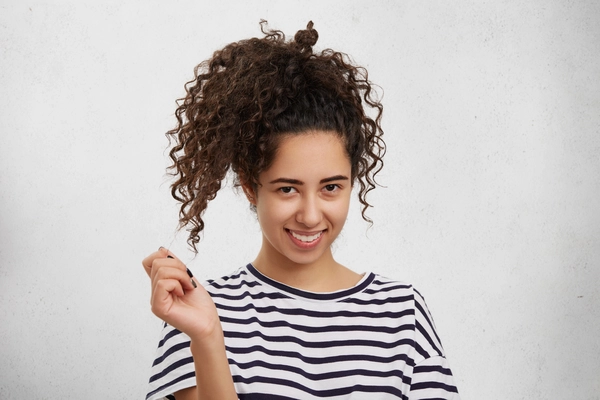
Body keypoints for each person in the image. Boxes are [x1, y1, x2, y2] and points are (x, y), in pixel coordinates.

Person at [142, 21, 459, 400]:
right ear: (249, 185)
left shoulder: (402, 315)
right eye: (288, 189)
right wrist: (209, 337)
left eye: (331, 187)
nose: (310, 216)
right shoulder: (198, 315)